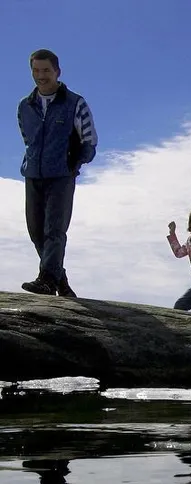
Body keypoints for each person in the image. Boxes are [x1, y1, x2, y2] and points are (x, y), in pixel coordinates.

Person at [17, 48, 98, 297]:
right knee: (35, 231)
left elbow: (90, 140)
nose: (41, 75)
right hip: (33, 174)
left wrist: (74, 165)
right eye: (36, 70)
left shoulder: (75, 103)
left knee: (54, 230)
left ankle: (47, 279)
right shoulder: (25, 106)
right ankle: (60, 280)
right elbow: (27, 139)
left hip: (61, 175)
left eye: (46, 70)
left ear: (57, 72)